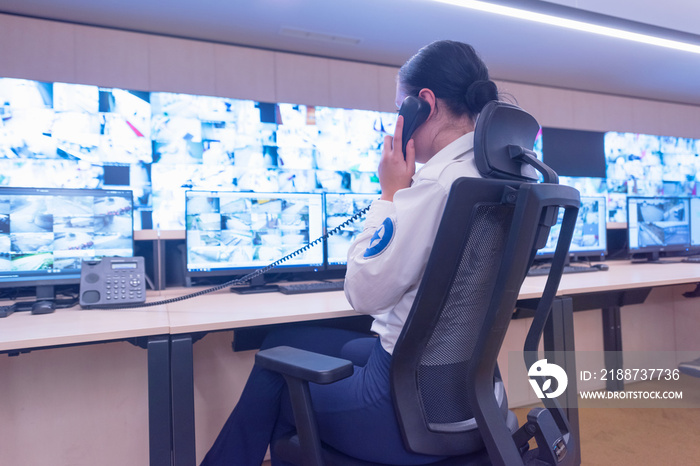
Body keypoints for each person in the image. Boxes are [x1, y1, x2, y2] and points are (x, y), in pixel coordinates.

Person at [200, 39, 500, 466]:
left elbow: (363, 294)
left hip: (400, 411)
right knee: (284, 341)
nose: (398, 121)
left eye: (401, 109)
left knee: (275, 369)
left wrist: (391, 192)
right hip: (471, 399)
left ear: (424, 104)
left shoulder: (437, 185)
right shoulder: (500, 173)